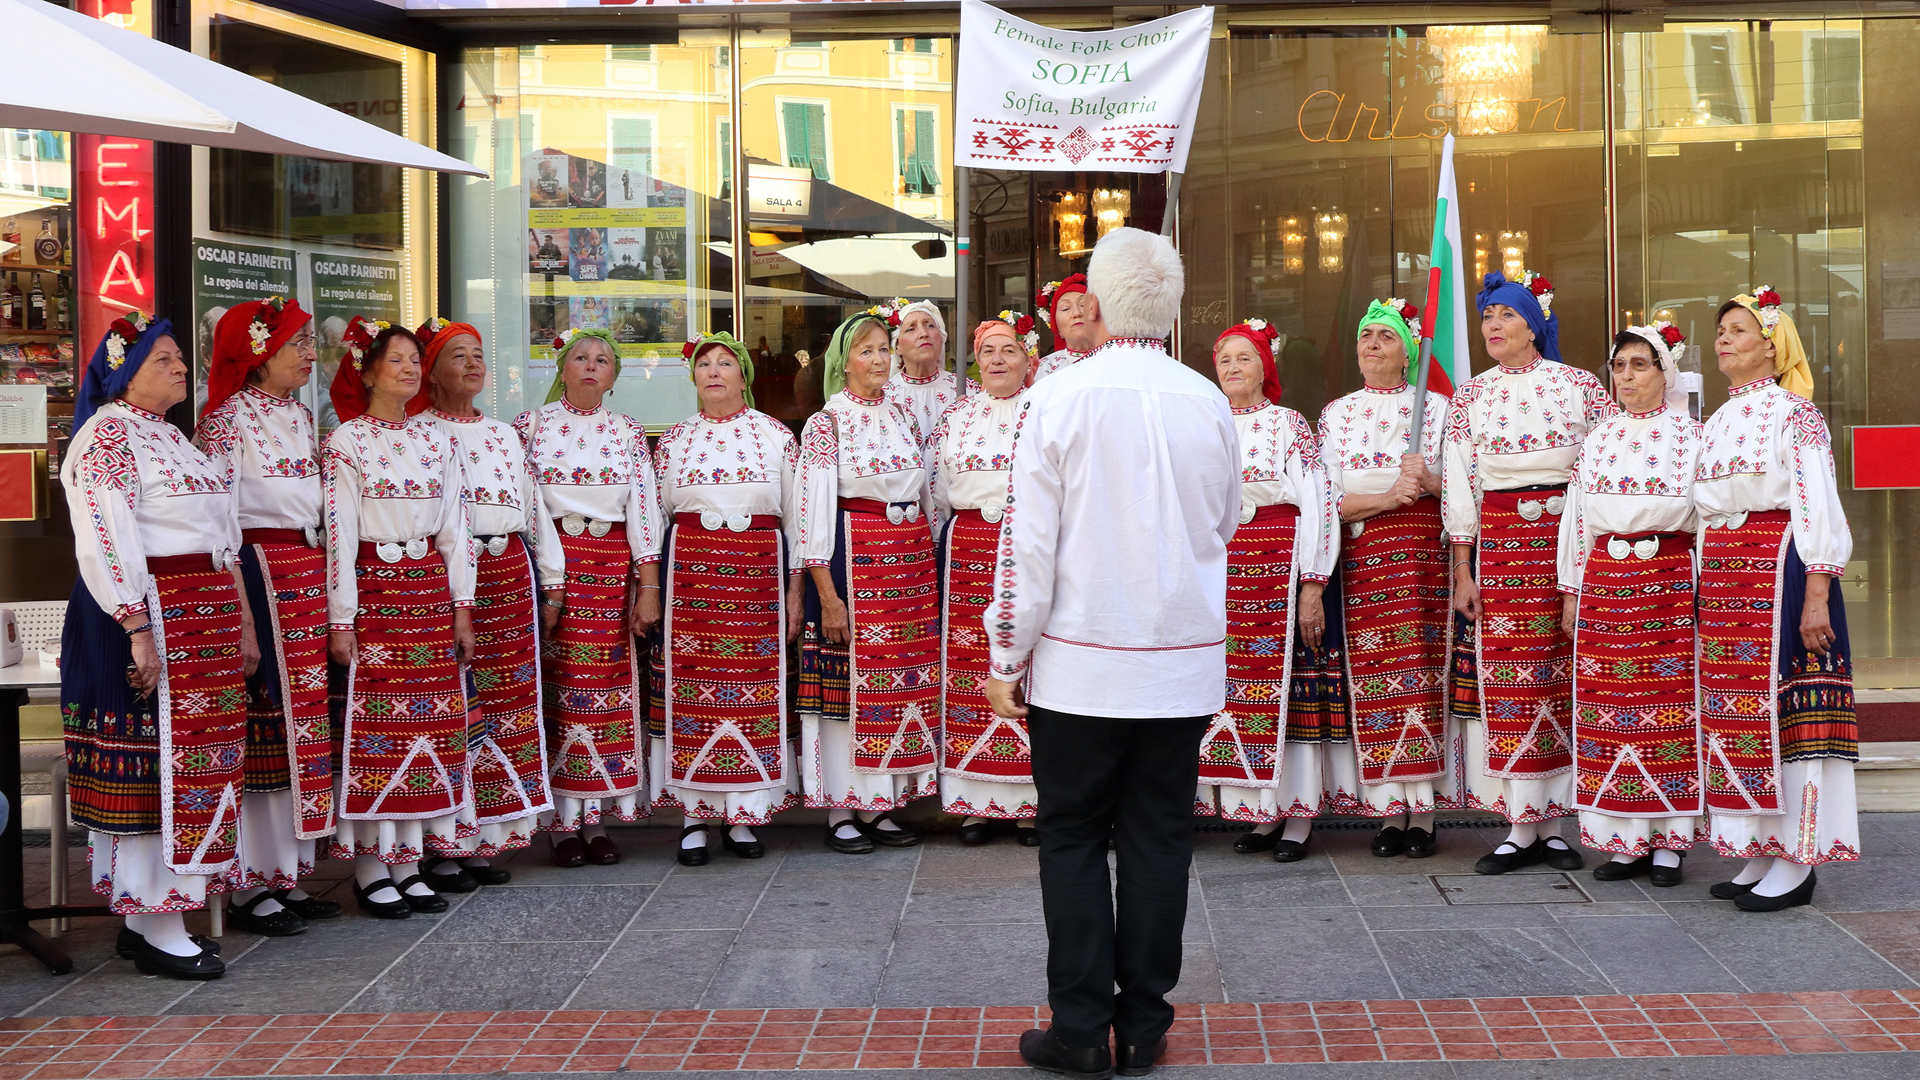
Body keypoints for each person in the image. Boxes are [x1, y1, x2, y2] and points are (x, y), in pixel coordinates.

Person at [986, 228, 1239, 1078]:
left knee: (1072, 836)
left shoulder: (1059, 399)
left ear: (1096, 300)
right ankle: (1143, 1025)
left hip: (1082, 662)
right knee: (1160, 837)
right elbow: (1226, 520)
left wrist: (1004, 655)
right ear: (1168, 307)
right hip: (1178, 658)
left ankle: (1080, 1027)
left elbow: (1025, 544)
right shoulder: (1206, 400)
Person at [61, 313, 256, 978]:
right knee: (153, 770)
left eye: (179, 358)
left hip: (201, 617)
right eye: (164, 359)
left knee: (197, 767)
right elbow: (106, 534)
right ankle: (157, 922)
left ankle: (151, 917)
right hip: (148, 614)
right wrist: (135, 625)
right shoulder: (107, 435)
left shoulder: (171, 437)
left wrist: (239, 622)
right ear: (125, 372)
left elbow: (219, 535)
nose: (180, 368)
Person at [1443, 271, 1617, 875]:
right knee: (1511, 678)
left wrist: (1593, 556)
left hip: (1567, 545)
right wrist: (1463, 569)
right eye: (1488, 317)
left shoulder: (1581, 387)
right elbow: (1461, 486)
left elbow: (1605, 469)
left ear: (1534, 325)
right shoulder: (1471, 396)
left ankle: (1560, 822)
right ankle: (1520, 825)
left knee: (1564, 674)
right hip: (1500, 547)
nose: (1493, 326)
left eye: (1506, 316)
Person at [1695, 287, 1860, 910]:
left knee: (1786, 715)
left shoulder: (1796, 414)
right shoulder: (1716, 421)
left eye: (1738, 329)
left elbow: (1817, 500)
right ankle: (1758, 847)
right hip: (1727, 577)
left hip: (1780, 570)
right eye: (1721, 331)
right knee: (1737, 714)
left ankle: (1798, 861)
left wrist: (1817, 592)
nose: (1725, 339)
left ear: (1772, 343)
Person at [195, 297, 341, 938]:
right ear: (259, 356)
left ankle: (287, 871)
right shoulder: (226, 421)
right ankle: (251, 880)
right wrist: (239, 609)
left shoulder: (300, 416)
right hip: (259, 576)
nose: (311, 354)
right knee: (265, 725)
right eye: (297, 345)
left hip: (305, 574)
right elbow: (218, 519)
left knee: (302, 725)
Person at [324, 317, 475, 918]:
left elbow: (455, 531)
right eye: (397, 361)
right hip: (375, 594)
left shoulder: (438, 440)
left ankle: (409, 861)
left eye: (416, 360)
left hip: (428, 594)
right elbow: (339, 535)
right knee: (376, 730)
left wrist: (461, 607)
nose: (410, 369)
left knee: (428, 728)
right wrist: (342, 616)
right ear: (365, 372)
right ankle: (369, 865)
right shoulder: (346, 443)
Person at [1556, 322, 1703, 887]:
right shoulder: (1598, 438)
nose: (1628, 377)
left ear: (1664, 373)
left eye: (1640, 365)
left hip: (1665, 579)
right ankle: (1626, 839)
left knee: (1667, 709)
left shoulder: (1692, 436)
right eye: (1619, 367)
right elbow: (1578, 518)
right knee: (1609, 709)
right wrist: (1573, 591)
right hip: (1606, 580)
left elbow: (1706, 519)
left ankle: (1669, 843)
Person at [650, 331, 802, 865]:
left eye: (725, 364)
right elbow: (658, 513)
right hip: (693, 578)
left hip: (758, 577)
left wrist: (796, 590)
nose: (713, 372)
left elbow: (796, 518)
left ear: (744, 376)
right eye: (704, 365)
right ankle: (693, 817)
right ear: (694, 379)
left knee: (753, 690)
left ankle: (744, 813)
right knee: (693, 690)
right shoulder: (674, 439)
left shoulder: (777, 436)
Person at [416, 318, 558, 888]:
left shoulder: (503, 434)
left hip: (509, 572)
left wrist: (554, 580)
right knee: (457, 707)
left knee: (509, 704)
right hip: (451, 576)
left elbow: (534, 507)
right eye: (458, 356)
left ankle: (487, 837)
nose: (472, 365)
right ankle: (443, 842)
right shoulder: (418, 432)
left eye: (478, 354)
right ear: (431, 368)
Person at [516, 328, 664, 866]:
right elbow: (526, 506)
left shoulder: (625, 430)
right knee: (557, 689)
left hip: (610, 571)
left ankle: (596, 817)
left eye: (602, 359)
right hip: (555, 564)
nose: (590, 366)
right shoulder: (529, 428)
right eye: (580, 357)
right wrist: (547, 577)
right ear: (561, 367)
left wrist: (647, 586)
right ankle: (560, 823)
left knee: (607, 690)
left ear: (614, 374)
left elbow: (644, 509)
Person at [794, 309, 939, 853]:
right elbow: (811, 513)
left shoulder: (901, 413)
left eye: (884, 349)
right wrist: (827, 596)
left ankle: (882, 802)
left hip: (907, 567)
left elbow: (924, 491)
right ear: (844, 361)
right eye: (866, 351)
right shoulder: (827, 423)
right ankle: (841, 808)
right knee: (848, 682)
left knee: (895, 682)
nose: (879, 360)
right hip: (855, 563)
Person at [1196, 317, 1338, 861]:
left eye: (1245, 359)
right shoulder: (1207, 422)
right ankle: (1261, 811)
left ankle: (1298, 817)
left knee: (1291, 690)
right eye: (1225, 360)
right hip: (1225, 572)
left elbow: (1319, 503)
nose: (1233, 368)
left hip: (1280, 568)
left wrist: (1311, 583)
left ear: (1265, 367)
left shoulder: (1288, 424)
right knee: (1233, 691)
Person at [1315, 299, 1450, 859]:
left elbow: (1463, 491)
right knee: (1375, 679)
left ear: (1408, 351)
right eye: (1365, 335)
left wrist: (1430, 481)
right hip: (1366, 563)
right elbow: (1326, 500)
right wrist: (1384, 498)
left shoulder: (1439, 409)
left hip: (1420, 563)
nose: (1372, 345)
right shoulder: (1336, 414)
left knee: (1419, 675)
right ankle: (1390, 810)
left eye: (1386, 337)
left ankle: (1425, 812)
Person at [929, 313, 1041, 846]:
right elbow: (935, 491)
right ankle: (976, 802)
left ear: (1028, 359)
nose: (997, 360)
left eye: (1009, 350)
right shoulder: (955, 417)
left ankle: (1031, 801)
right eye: (988, 351)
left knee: (1027, 665)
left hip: (1025, 549)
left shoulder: (1045, 412)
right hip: (967, 550)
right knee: (969, 666)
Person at [883, 298, 977, 447]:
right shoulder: (885, 397)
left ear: (941, 338)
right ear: (897, 346)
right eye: (911, 329)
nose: (923, 333)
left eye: (930, 326)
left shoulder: (969, 391)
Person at [1031, 275, 1098, 383]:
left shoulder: (1118, 359)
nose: (1077, 313)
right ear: (1057, 327)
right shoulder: (1043, 369)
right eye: (1066, 308)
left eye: (1083, 305)